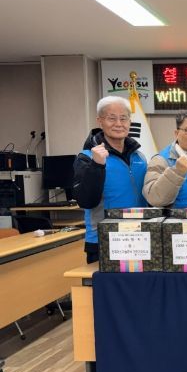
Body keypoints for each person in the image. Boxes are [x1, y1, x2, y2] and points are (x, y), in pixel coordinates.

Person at [73, 96, 147, 263]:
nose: (118, 124)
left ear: (130, 122)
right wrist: (97, 166)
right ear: (100, 121)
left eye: (123, 118)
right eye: (111, 118)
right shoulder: (86, 157)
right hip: (104, 240)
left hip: (139, 237)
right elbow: (85, 201)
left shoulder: (139, 157)